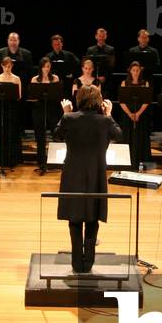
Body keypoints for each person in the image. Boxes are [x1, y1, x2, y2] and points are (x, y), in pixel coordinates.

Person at [54, 85, 122, 273]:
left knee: (74, 220)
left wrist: (65, 113)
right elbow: (118, 134)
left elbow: (57, 135)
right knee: (92, 219)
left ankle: (77, 264)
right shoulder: (104, 121)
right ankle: (88, 262)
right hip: (96, 174)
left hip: (73, 174)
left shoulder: (69, 118)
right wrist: (109, 115)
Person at [30, 58, 61, 174]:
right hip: (39, 109)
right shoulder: (35, 79)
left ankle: (55, 161)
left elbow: (58, 95)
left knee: (56, 134)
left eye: (48, 66)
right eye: (44, 66)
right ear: (41, 67)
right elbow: (32, 98)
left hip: (52, 109)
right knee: (40, 137)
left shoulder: (55, 78)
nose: (46, 69)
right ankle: (41, 162)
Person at [119, 61, 152, 168]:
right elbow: (122, 102)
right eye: (133, 70)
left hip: (141, 115)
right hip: (128, 114)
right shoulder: (124, 83)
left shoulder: (145, 83)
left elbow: (146, 101)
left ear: (140, 71)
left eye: (137, 70)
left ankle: (142, 163)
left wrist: (138, 113)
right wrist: (130, 114)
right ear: (130, 71)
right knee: (128, 137)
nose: (135, 72)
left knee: (141, 137)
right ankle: (127, 161)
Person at [0, 56, 23, 168]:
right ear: (2, 66)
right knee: (1, 132)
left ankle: (12, 160)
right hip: (0, 107)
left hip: (12, 108)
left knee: (11, 133)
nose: (8, 68)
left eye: (10, 66)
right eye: (6, 66)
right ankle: (0, 160)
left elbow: (19, 96)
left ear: (12, 66)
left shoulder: (16, 78)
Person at [85, 28, 115, 94]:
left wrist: (105, 76)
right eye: (99, 36)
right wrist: (94, 77)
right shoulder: (90, 50)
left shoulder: (111, 50)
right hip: (92, 79)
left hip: (106, 80)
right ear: (96, 36)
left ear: (106, 36)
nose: (101, 38)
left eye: (103, 36)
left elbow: (112, 66)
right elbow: (87, 64)